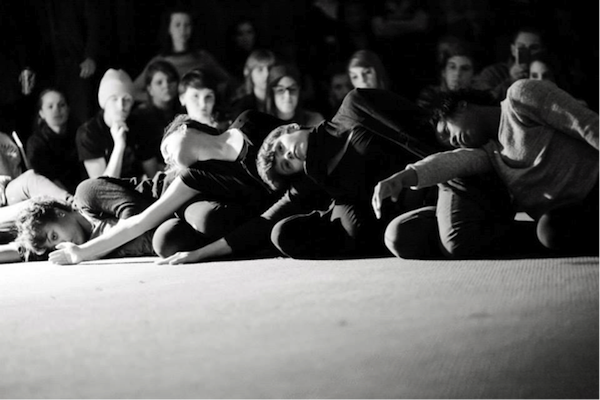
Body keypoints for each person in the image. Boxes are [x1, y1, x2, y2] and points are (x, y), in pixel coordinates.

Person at [153, 88, 443, 264]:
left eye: (281, 148)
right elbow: (264, 221)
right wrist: (199, 254)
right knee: (284, 233)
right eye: (284, 165)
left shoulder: (352, 108)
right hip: (388, 207)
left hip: (431, 175)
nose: (286, 156)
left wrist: (446, 166)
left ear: (291, 128)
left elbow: (416, 130)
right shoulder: (311, 178)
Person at [374, 79, 600, 259]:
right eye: (448, 142)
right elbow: (451, 161)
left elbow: (587, 124)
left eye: (447, 130)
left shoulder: (520, 96)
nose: (453, 140)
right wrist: (403, 178)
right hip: (569, 213)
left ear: (462, 105)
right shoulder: (490, 152)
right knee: (549, 231)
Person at [47, 110, 285, 265]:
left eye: (166, 151)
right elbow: (140, 221)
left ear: (184, 128)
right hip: (174, 206)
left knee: (205, 219)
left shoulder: (248, 122)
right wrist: (81, 252)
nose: (168, 161)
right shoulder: (195, 174)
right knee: (175, 234)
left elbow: (297, 136)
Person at [131, 6, 232, 104]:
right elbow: (133, 91)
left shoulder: (203, 57)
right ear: (169, 29)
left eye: (187, 25)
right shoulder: (159, 61)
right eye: (177, 25)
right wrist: (160, 97)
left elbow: (229, 82)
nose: (183, 30)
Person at [76, 68, 160, 180]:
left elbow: (153, 175)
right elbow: (102, 188)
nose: (121, 106)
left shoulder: (140, 125)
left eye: (127, 99)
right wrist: (119, 146)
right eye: (114, 99)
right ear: (103, 103)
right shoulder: (89, 132)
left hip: (136, 190)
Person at [26, 88, 85, 194]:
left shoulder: (81, 135)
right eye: (50, 106)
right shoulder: (36, 143)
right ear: (41, 113)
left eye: (61, 105)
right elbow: (43, 178)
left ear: (68, 109)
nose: (56, 110)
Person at [472, 25, 545, 103]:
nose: (527, 52)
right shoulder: (493, 73)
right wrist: (511, 80)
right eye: (521, 47)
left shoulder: (546, 75)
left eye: (533, 48)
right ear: (513, 50)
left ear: (542, 51)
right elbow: (486, 100)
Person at [130, 60, 182, 169]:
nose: (166, 86)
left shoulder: (183, 113)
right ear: (149, 89)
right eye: (159, 82)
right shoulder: (140, 118)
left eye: (171, 80)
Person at [416, 38, 478, 108]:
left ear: (474, 75)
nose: (457, 74)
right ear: (444, 72)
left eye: (465, 69)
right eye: (452, 67)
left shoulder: (480, 100)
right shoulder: (430, 96)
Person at [264, 63, 325, 127]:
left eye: (292, 89)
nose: (287, 95)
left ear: (299, 90)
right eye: (280, 90)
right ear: (272, 93)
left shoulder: (314, 121)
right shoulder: (261, 124)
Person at [227, 49, 278, 121]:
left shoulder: (281, 101)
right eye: (260, 69)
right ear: (250, 73)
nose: (266, 74)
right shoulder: (241, 107)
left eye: (270, 69)